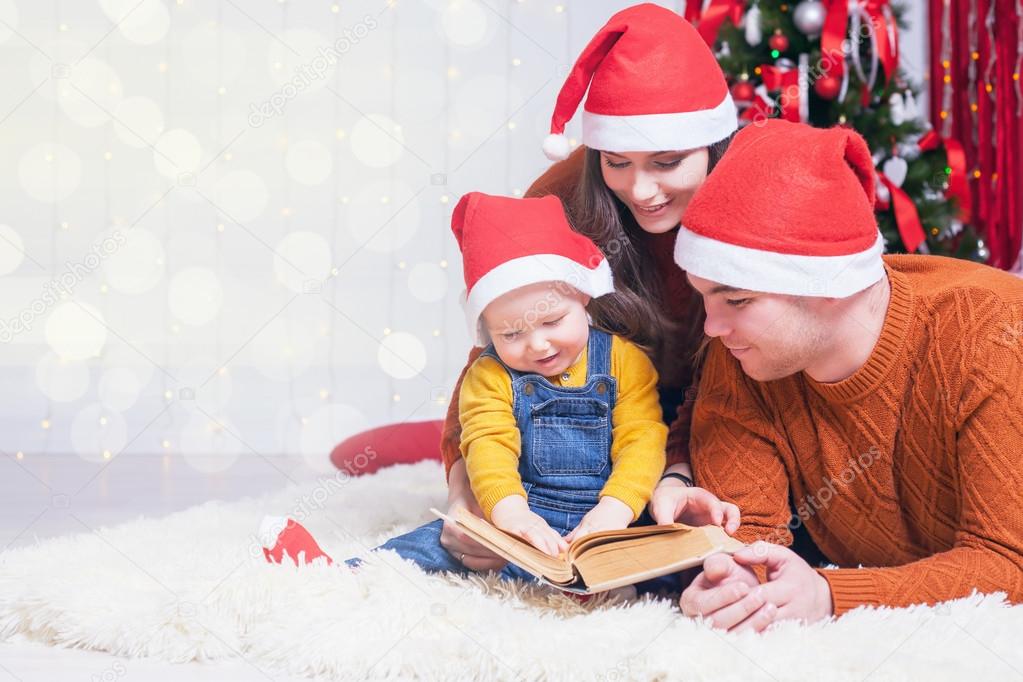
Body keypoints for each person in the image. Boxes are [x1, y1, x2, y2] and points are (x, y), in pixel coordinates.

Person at [330, 3, 741, 576]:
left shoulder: (747, 206)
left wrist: (665, 480)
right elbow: (492, 362)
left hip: (679, 431)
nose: (641, 190)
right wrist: (466, 495)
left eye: (667, 162)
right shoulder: (562, 198)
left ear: (712, 145)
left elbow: (736, 402)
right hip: (552, 425)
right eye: (617, 162)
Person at [265, 192, 736, 596]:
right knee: (435, 543)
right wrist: (509, 514)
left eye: (553, 321)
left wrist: (614, 511)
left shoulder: (623, 361)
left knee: (673, 559)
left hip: (614, 511)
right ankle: (339, 576)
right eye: (510, 334)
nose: (537, 344)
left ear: (584, 297)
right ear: (486, 332)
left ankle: (611, 584)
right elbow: (487, 444)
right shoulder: (490, 375)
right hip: (525, 508)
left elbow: (641, 438)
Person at [668, 119, 1023, 632]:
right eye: (704, 295)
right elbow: (752, 539)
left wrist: (830, 594)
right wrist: (740, 586)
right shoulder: (744, 351)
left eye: (737, 299)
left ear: (830, 284)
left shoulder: (991, 335)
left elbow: (1010, 561)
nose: (712, 326)